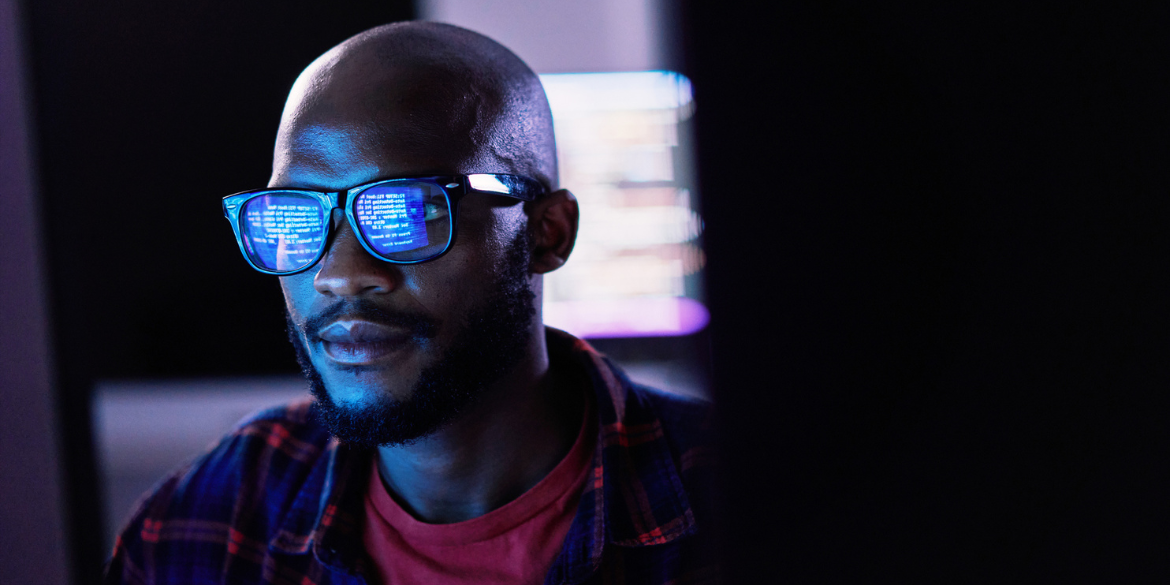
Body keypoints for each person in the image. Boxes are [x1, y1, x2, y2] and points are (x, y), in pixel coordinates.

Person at [104, 21, 718, 585]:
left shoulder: (737, 500)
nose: (340, 275)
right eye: (294, 215)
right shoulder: (209, 524)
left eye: (407, 212)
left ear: (546, 232)